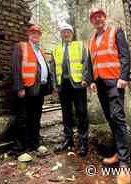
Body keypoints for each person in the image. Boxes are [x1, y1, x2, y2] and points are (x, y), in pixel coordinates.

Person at [88, 8, 131, 184]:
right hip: (100, 83)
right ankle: (119, 153)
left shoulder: (115, 31)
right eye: (94, 18)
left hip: (114, 82)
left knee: (118, 118)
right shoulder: (92, 40)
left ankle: (125, 165)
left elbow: (125, 55)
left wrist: (124, 77)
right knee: (111, 118)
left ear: (105, 18)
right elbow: (91, 62)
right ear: (91, 21)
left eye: (100, 16)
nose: (98, 19)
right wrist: (92, 80)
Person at [11, 24, 53, 152]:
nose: (35, 35)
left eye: (38, 33)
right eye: (33, 33)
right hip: (26, 88)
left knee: (36, 116)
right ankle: (20, 148)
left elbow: (43, 68)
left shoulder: (40, 50)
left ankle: (35, 143)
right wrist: (19, 87)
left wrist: (50, 86)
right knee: (23, 117)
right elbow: (16, 68)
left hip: (39, 88)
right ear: (28, 34)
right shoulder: (21, 47)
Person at [51, 23, 91, 157]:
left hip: (78, 83)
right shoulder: (56, 50)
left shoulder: (79, 46)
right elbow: (52, 68)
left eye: (68, 32)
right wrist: (55, 85)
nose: (66, 34)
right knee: (66, 113)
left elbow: (86, 61)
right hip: (63, 84)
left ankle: (83, 142)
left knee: (81, 112)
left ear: (72, 34)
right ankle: (68, 140)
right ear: (61, 35)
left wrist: (86, 78)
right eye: (63, 32)